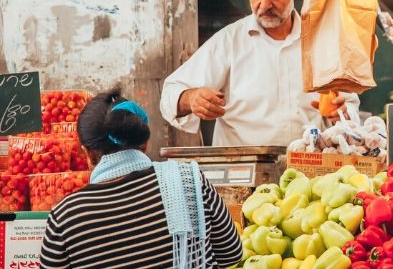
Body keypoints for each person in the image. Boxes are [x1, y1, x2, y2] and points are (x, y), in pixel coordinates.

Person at [160, 0, 359, 146]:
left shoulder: (322, 41)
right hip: (241, 168)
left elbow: (348, 105)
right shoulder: (229, 41)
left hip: (309, 168)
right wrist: (191, 98)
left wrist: (343, 114)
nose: (264, 4)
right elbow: (170, 94)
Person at [40, 90, 242, 268]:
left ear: (88, 153)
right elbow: (232, 254)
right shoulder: (190, 180)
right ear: (143, 142)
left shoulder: (65, 216)